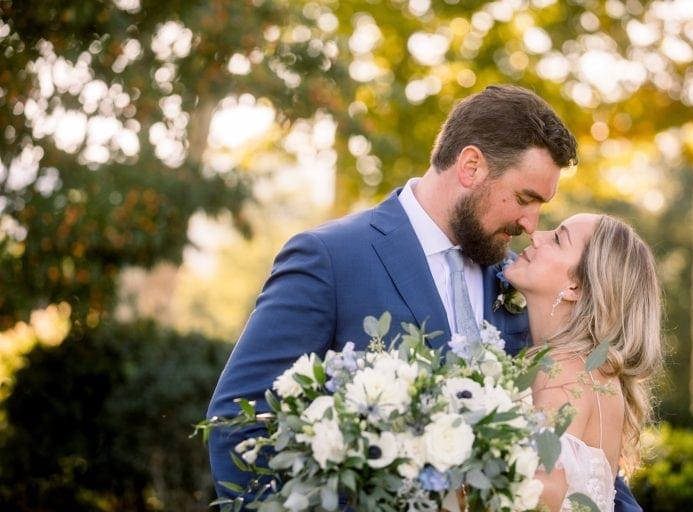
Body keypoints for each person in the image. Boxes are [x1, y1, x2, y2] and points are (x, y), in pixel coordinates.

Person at [206, 85, 641, 510]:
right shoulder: (332, 259)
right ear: (471, 166)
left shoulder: (520, 280)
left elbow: (586, 468)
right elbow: (239, 421)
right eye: (526, 198)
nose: (532, 224)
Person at [503, 213, 663, 512]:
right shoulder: (597, 373)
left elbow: (542, 495)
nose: (537, 235)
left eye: (557, 239)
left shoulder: (559, 366)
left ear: (576, 288)